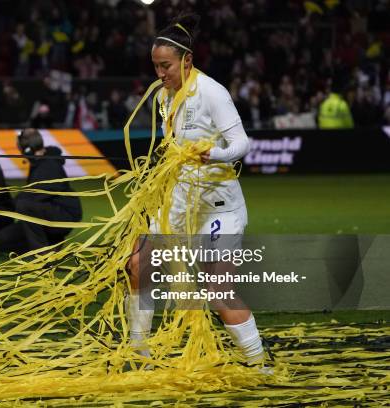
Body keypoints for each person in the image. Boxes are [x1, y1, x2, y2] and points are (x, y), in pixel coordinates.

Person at [126, 14, 267, 369]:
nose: (160, 74)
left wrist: (213, 155)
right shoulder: (165, 95)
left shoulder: (212, 92)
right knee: (137, 263)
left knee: (218, 290)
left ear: (187, 60)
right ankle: (137, 355)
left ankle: (259, 364)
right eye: (156, 67)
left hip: (218, 206)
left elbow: (241, 144)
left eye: (166, 66)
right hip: (180, 201)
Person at [0, 128, 83, 255]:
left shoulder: (48, 166)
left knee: (24, 206)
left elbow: (32, 197)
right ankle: (53, 242)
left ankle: (43, 254)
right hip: (47, 212)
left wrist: (5, 205)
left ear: (27, 149)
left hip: (63, 215)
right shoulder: (39, 161)